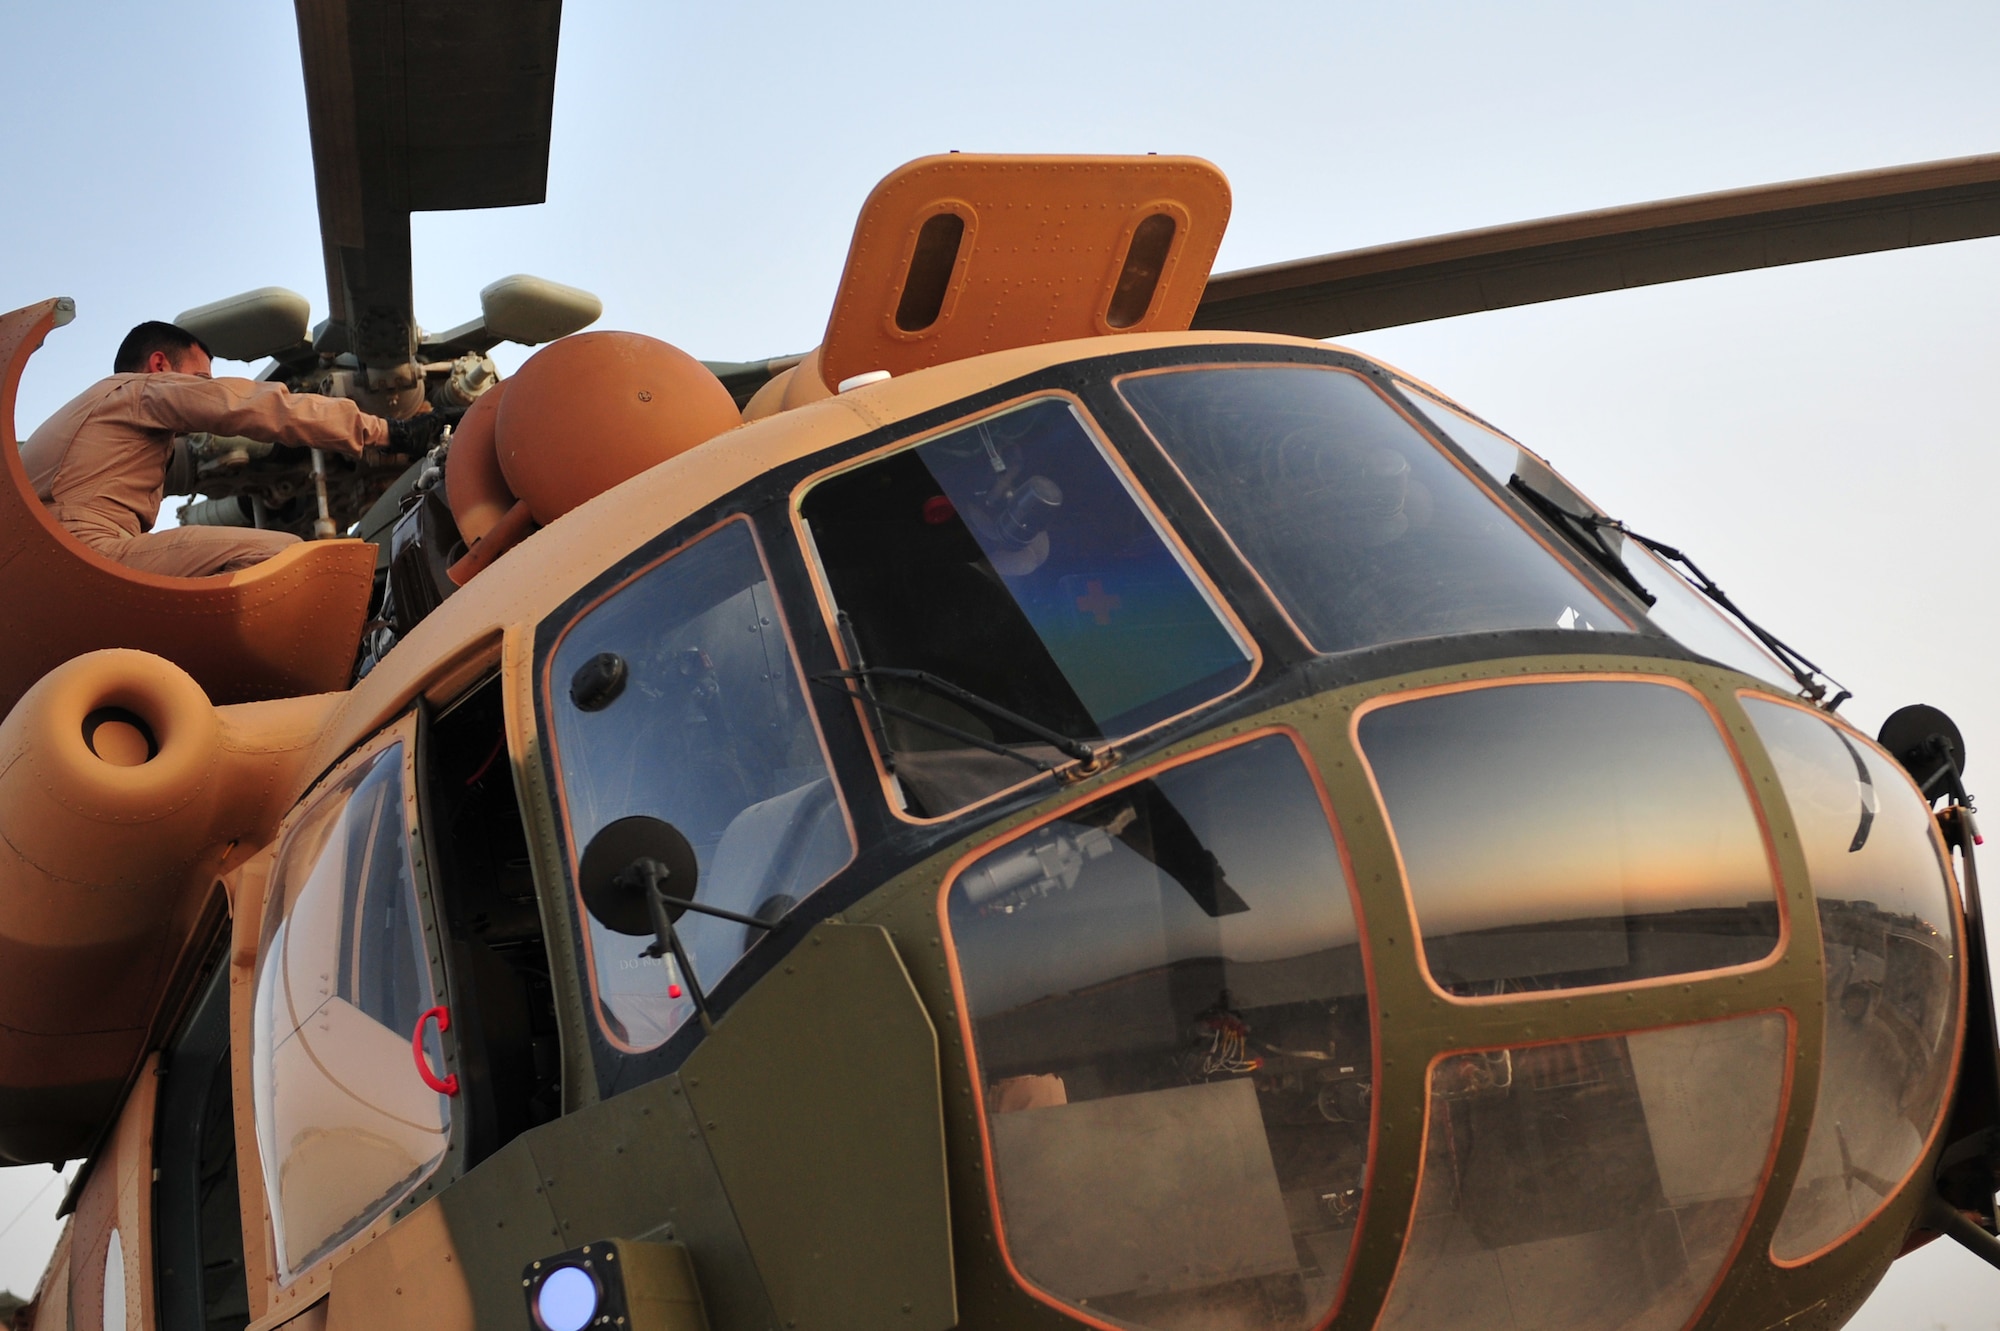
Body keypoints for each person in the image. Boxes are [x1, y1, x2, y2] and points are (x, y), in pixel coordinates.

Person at [21, 321, 441, 577]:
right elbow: (252, 406)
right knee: (293, 561)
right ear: (160, 365)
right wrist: (387, 432)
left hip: (42, 568)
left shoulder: (95, 416)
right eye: (200, 379)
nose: (204, 388)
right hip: (90, 552)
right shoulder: (140, 391)